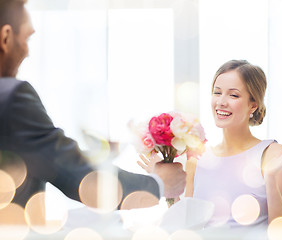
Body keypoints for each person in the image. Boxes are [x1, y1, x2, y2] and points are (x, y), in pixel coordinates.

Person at [0, 0, 186, 211]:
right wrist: (159, 185)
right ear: (5, 37)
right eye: (27, 39)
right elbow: (79, 177)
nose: (28, 52)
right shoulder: (12, 97)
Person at [139, 60, 282, 230]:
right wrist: (167, 186)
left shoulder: (272, 154)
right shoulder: (197, 159)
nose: (221, 102)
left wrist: (270, 177)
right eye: (217, 93)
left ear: (253, 105)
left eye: (233, 95)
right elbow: (186, 227)